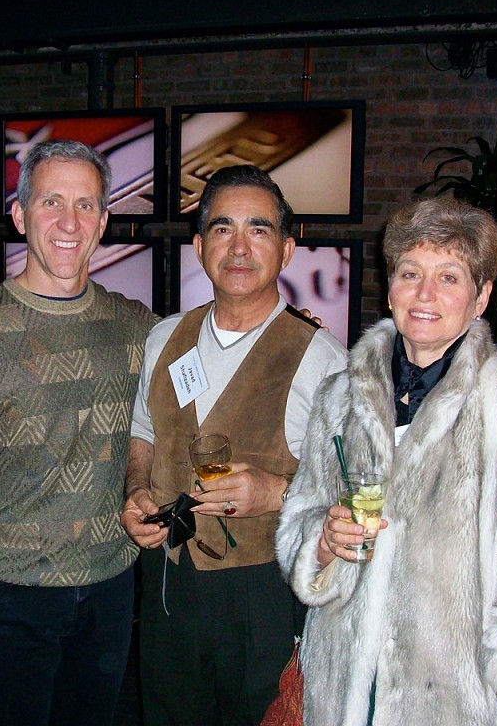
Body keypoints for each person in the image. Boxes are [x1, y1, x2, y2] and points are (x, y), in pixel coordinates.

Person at [275, 197, 497, 726]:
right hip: (343, 694)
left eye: (449, 277)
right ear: (391, 288)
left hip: (458, 704)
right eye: (410, 274)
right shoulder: (339, 398)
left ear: (481, 296)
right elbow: (300, 518)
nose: (425, 294)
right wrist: (322, 542)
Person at [0, 139, 157, 726]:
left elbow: (193, 392)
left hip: (110, 586)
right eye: (51, 202)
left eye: (86, 205)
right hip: (8, 592)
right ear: (19, 216)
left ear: (103, 222)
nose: (69, 222)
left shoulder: (136, 328)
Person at [121, 164, 348, 726]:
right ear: (200, 247)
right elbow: (143, 431)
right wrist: (136, 490)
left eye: (259, 229)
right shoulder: (164, 337)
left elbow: (352, 490)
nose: (240, 247)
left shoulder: (323, 360)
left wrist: (275, 493)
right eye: (223, 228)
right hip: (169, 580)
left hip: (263, 587)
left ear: (287, 250)